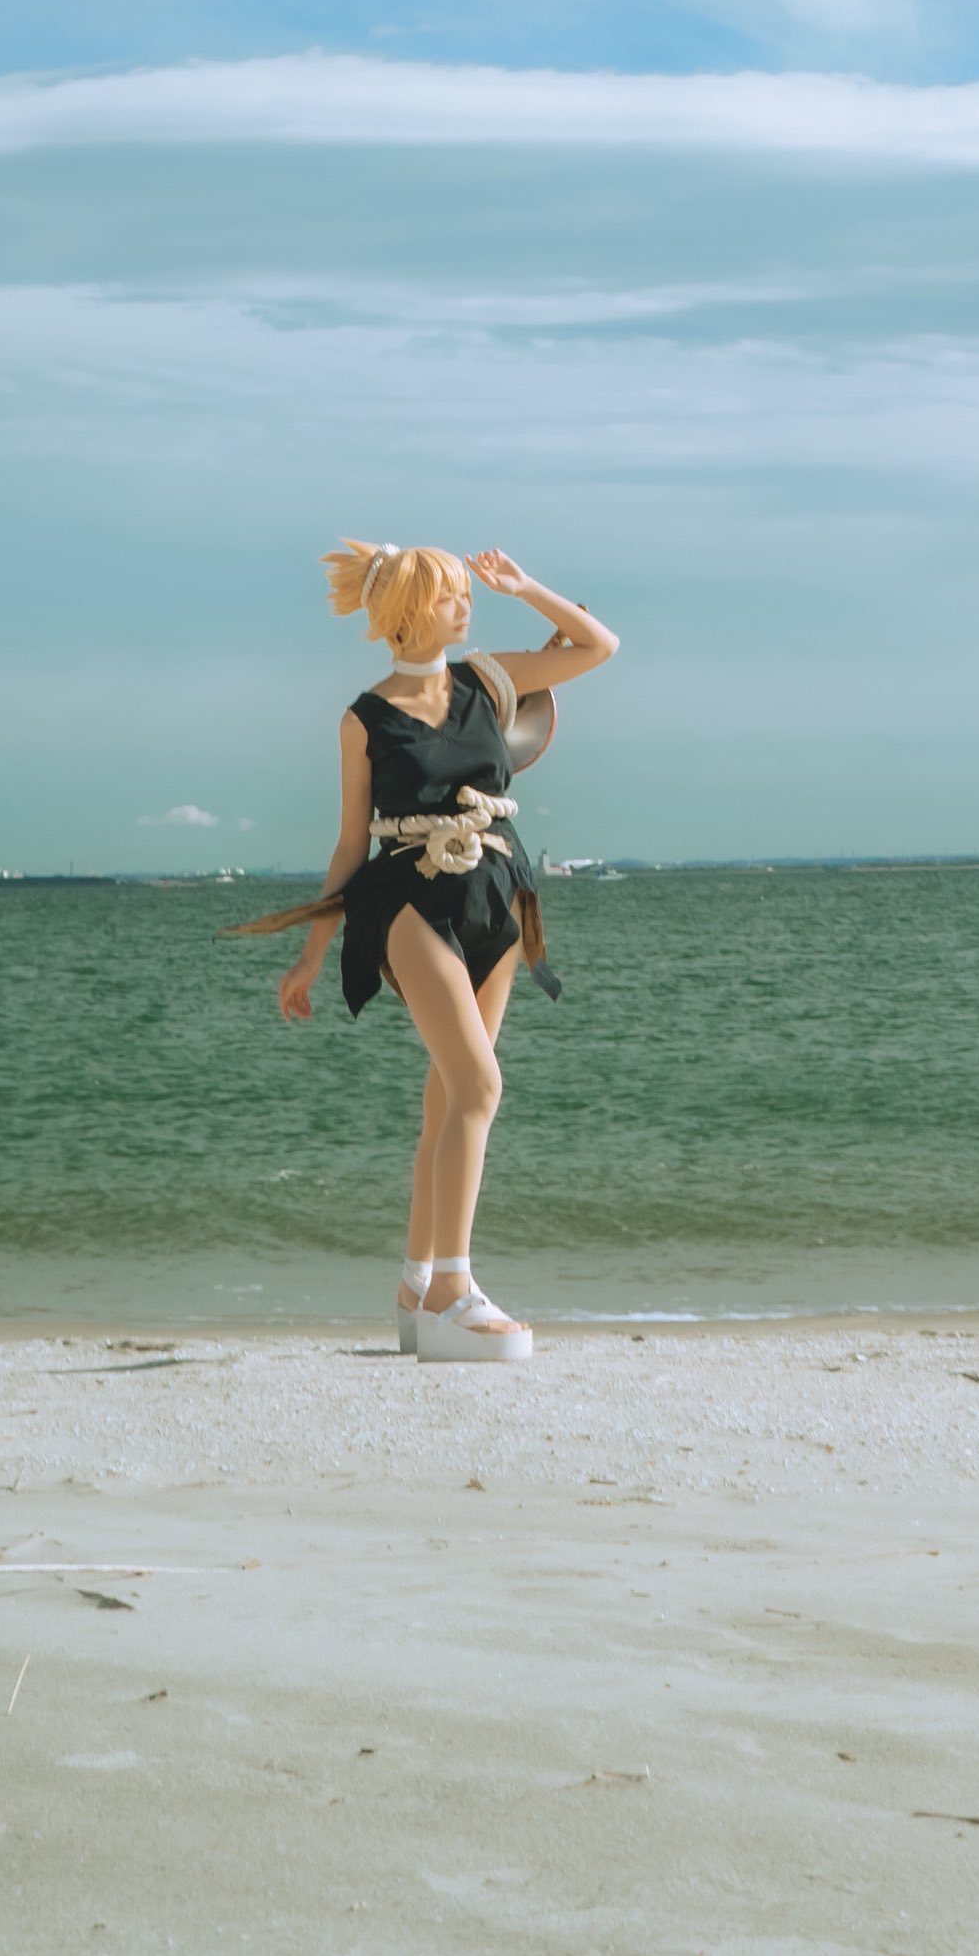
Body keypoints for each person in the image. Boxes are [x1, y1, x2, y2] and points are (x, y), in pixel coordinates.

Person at [237, 540, 618, 1362]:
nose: (466, 604)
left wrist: (526, 586)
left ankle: (416, 1285)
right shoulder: (364, 719)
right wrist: (312, 953)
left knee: (448, 1097)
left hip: (498, 892)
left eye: (465, 594)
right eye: (451, 594)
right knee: (480, 1083)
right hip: (407, 897)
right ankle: (454, 1289)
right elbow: (350, 846)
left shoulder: (489, 679)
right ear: (409, 611)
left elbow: (598, 645)